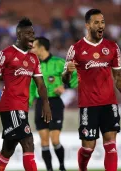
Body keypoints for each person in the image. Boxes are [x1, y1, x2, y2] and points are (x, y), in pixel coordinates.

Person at [62, 9, 121, 171]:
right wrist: (67, 71)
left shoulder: (112, 47)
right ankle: (82, 168)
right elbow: (65, 81)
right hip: (88, 105)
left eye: (102, 22)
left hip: (109, 103)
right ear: (87, 25)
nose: (101, 25)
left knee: (111, 145)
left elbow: (118, 78)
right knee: (88, 147)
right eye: (96, 22)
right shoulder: (76, 49)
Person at [0, 18, 52, 171]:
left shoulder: (33, 58)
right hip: (10, 106)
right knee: (28, 141)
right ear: (19, 34)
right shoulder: (6, 54)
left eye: (33, 33)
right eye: (28, 33)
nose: (32, 37)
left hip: (22, 107)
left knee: (8, 150)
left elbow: (41, 84)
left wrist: (46, 103)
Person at [29, 37, 78, 171]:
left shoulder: (59, 62)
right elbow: (32, 87)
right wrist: (27, 104)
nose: (31, 49)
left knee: (55, 139)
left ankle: (62, 167)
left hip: (54, 102)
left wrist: (66, 88)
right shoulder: (34, 64)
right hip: (40, 103)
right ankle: (49, 169)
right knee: (44, 141)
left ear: (41, 47)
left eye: (34, 47)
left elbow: (74, 77)